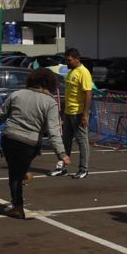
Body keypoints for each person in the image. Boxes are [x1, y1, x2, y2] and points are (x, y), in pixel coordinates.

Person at [0, 69, 69, 219]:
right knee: (16, 172)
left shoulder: (17, 95)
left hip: (10, 139)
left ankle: (18, 204)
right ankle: (20, 192)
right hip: (31, 144)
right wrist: (61, 154)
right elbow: (53, 130)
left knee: (15, 175)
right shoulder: (50, 102)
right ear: (50, 84)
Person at [50, 48, 92, 179]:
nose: (67, 63)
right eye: (65, 60)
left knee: (82, 142)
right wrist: (63, 111)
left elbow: (88, 94)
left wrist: (85, 114)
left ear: (77, 59)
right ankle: (62, 167)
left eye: (69, 60)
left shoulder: (84, 72)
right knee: (65, 141)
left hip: (78, 113)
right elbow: (69, 93)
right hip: (69, 112)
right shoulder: (71, 71)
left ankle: (83, 169)